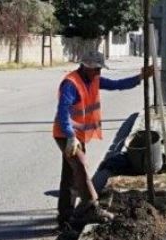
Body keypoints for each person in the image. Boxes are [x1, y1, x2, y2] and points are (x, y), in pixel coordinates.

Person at [53, 50, 152, 226]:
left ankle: (65, 218)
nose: (99, 72)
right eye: (96, 69)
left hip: (77, 136)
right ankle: (92, 208)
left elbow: (117, 84)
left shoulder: (94, 79)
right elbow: (63, 112)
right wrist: (70, 136)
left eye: (100, 69)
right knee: (81, 167)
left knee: (70, 176)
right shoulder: (71, 83)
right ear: (85, 66)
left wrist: (140, 77)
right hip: (66, 135)